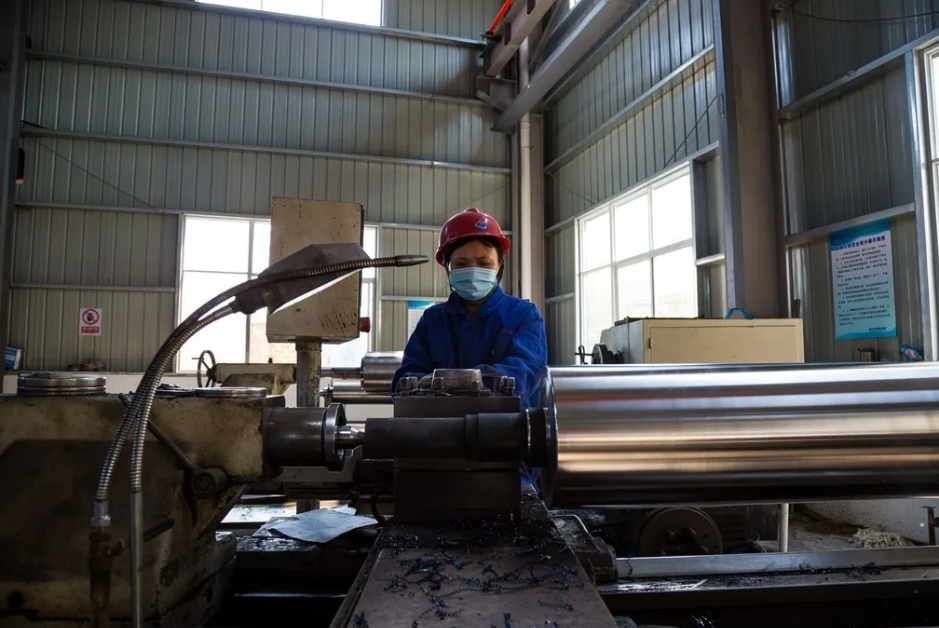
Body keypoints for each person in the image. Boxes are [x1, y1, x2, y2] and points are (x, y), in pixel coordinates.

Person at [390, 206, 549, 413]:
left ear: (500, 265)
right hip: (439, 429)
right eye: (461, 263)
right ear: (447, 266)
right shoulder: (432, 321)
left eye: (484, 263)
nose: (473, 272)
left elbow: (524, 373)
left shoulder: (524, 316)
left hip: (507, 429)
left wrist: (452, 382)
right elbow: (406, 380)